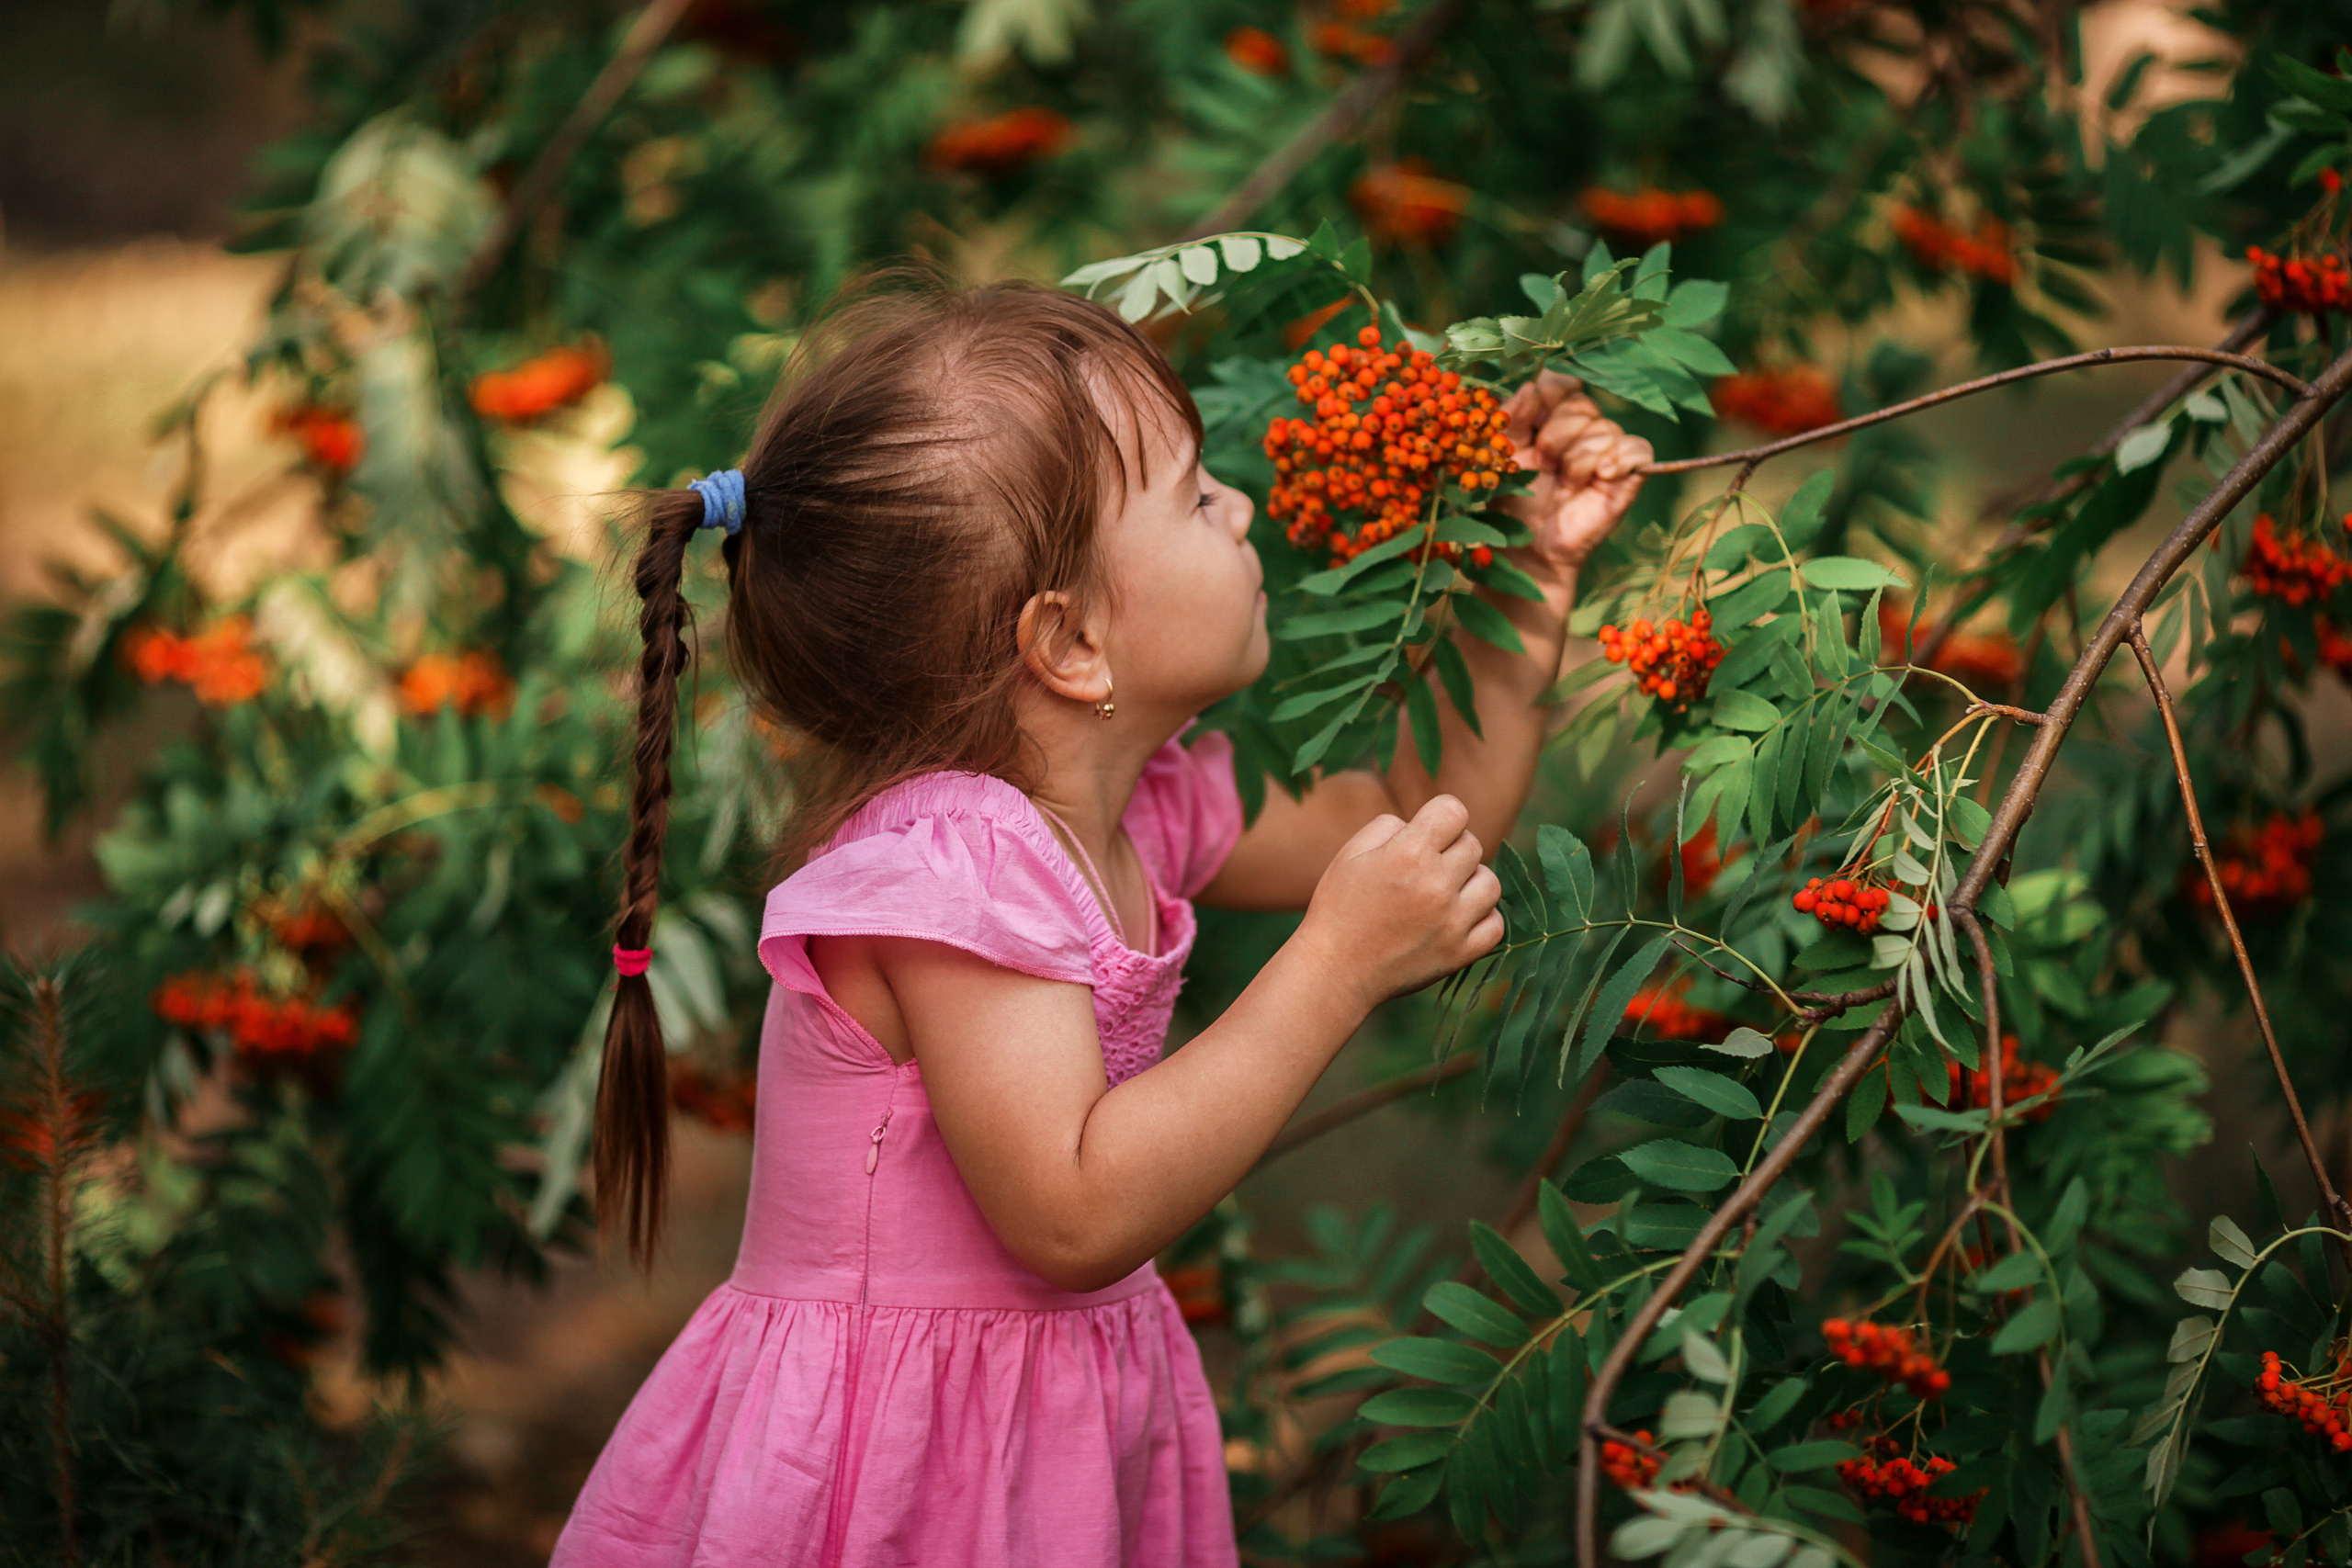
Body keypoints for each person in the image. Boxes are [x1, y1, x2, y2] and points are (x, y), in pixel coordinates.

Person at [550, 278, 1649, 1567]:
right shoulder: (952, 868)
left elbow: (1416, 808)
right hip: (896, 1471)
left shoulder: (1142, 808)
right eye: (1192, 495)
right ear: (1069, 645)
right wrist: (1335, 968)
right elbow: (1070, 1214)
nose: (1237, 505)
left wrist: (1533, 569)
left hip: (1038, 1439)